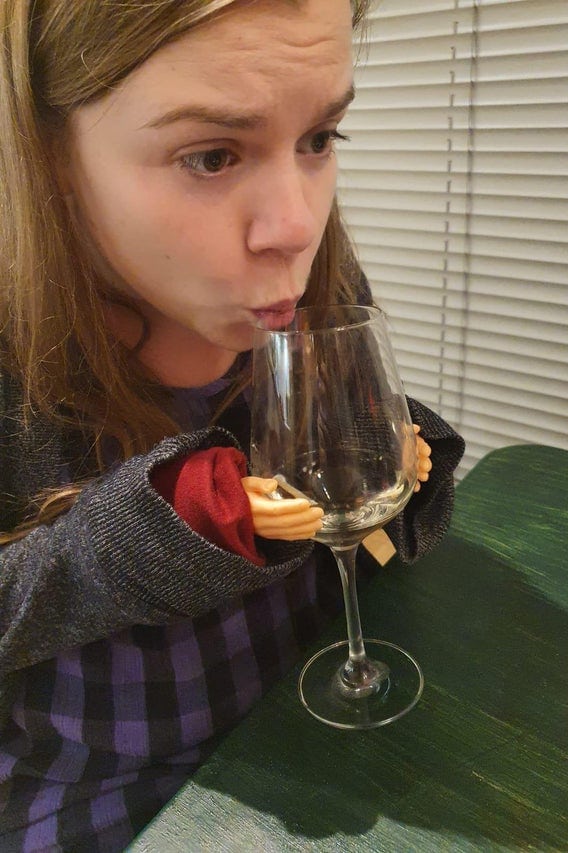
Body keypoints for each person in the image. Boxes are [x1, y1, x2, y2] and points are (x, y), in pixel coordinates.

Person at [0, 0, 465, 848]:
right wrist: (154, 532)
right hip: (110, 795)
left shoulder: (316, 287)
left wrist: (392, 458)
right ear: (50, 153)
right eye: (212, 155)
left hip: (313, 731)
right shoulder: (14, 360)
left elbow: (363, 518)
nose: (296, 226)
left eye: (319, 138)